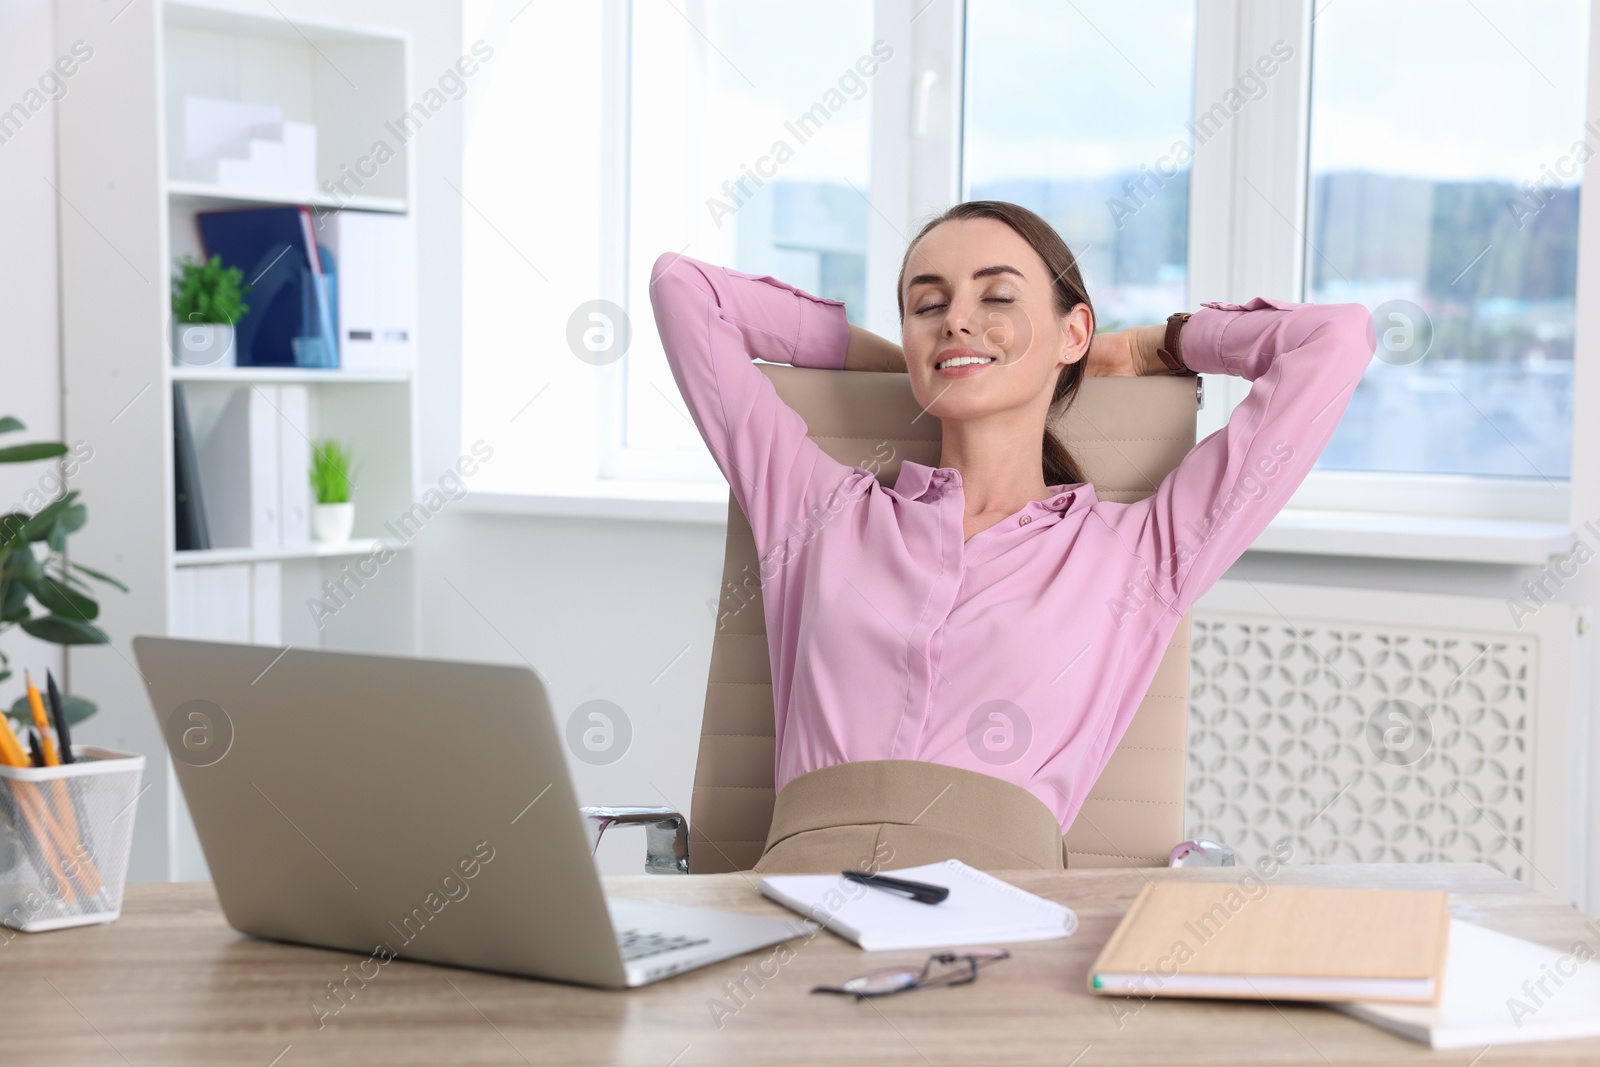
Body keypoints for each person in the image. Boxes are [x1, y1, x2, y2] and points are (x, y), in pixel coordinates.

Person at [649, 200, 1375, 872]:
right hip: (794, 907)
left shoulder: (1139, 556)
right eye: (928, 306)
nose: (957, 320)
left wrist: (1157, 347)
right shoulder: (815, 511)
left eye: (997, 297)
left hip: (998, 926)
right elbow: (683, 289)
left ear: (1073, 332)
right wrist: (873, 357)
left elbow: (1334, 339)